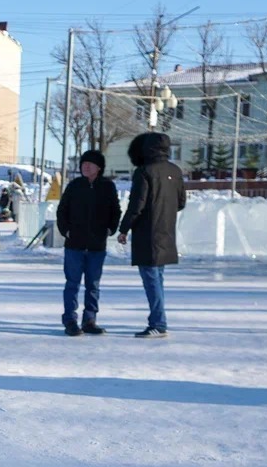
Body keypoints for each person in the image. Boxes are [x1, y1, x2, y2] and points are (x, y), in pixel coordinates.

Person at [117, 132, 186, 338]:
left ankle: (159, 322)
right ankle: (159, 320)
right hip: (166, 231)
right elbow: (181, 202)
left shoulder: (144, 171)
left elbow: (137, 205)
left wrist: (124, 228)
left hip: (147, 233)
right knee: (158, 278)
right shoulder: (175, 170)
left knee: (151, 280)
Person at [56, 149, 120, 335]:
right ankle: (70, 320)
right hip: (74, 244)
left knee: (93, 284)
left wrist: (110, 229)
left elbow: (115, 211)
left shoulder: (107, 187)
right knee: (72, 283)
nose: (85, 166)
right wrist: (66, 230)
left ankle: (90, 320)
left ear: (98, 168)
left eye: (89, 164)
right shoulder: (74, 185)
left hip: (96, 245)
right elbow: (62, 210)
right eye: (83, 164)